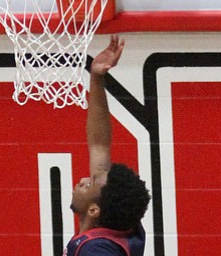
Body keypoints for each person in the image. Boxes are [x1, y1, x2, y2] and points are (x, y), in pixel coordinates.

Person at [64, 35, 151, 256]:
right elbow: (99, 145)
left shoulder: (97, 250)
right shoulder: (117, 221)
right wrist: (96, 77)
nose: (84, 179)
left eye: (91, 182)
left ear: (94, 210)